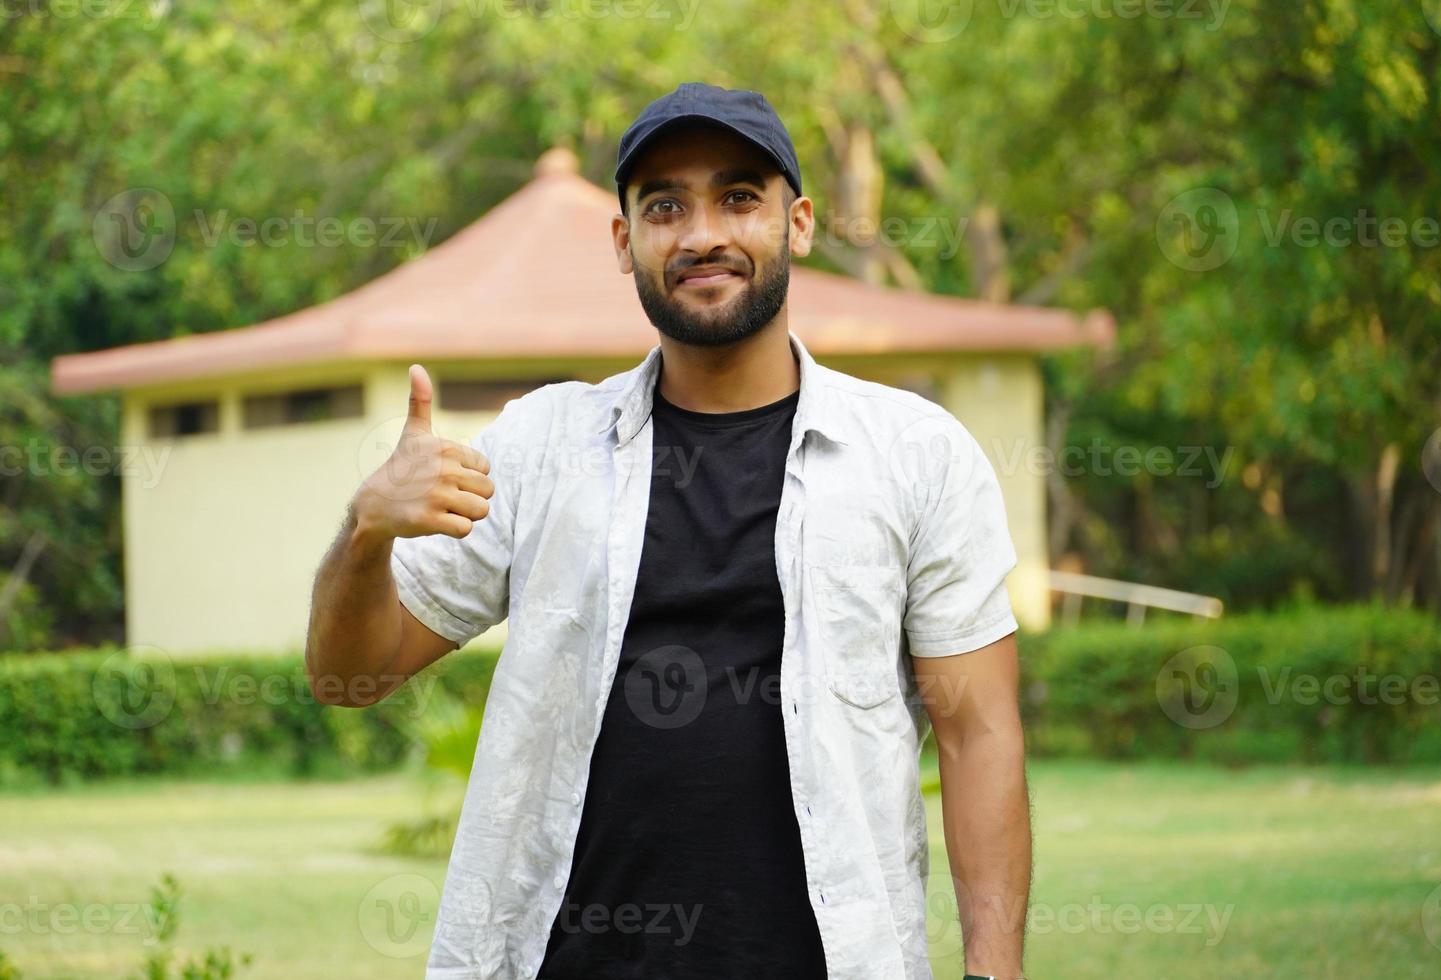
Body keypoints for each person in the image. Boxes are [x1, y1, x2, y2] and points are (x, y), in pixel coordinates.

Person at [305, 81, 1031, 980]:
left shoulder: (914, 455)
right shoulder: (540, 448)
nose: (701, 235)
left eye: (738, 198)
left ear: (797, 223)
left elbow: (979, 733)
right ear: (625, 241)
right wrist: (367, 529)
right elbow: (351, 674)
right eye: (664, 206)